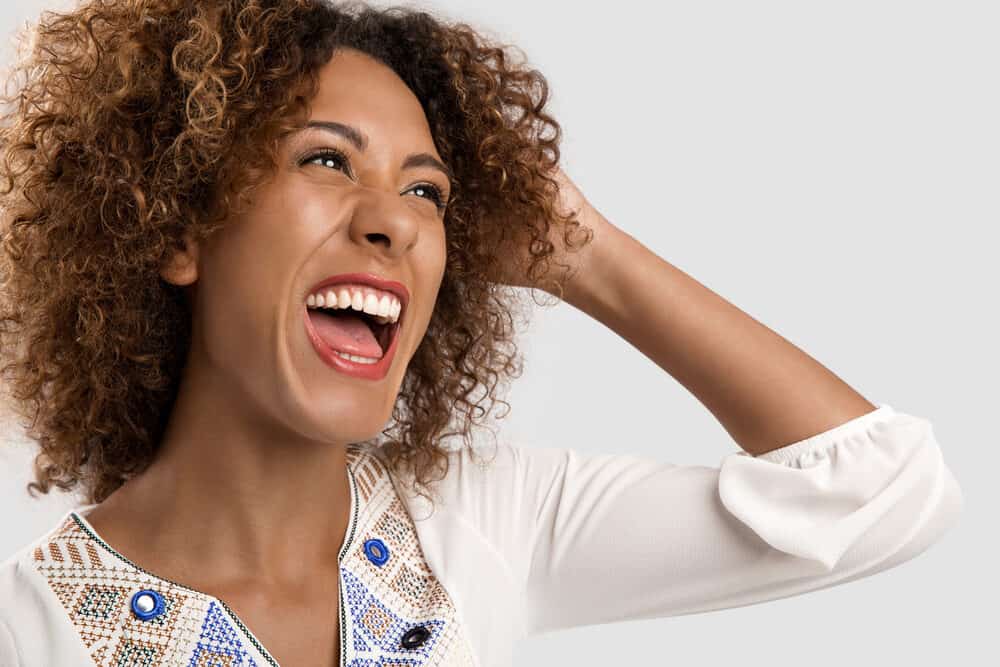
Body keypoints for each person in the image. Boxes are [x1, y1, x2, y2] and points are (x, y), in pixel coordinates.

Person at [0, 1, 963, 666]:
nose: (396, 221)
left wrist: (586, 257)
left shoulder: (483, 524)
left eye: (427, 190)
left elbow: (881, 492)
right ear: (176, 228)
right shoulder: (25, 628)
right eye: (327, 160)